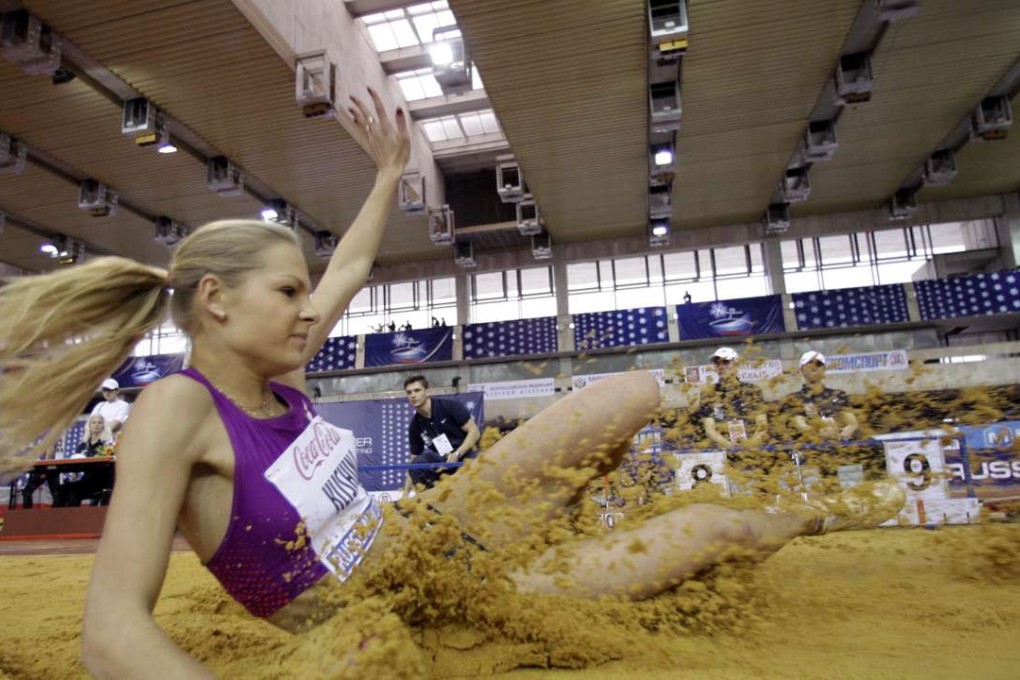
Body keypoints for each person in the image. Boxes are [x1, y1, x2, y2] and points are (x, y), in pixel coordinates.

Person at [0, 90, 905, 677]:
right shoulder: (177, 410)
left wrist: (389, 170)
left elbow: (349, 265)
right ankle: (825, 512)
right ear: (216, 304)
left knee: (628, 396)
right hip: (410, 618)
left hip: (436, 538)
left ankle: (700, 460)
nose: (311, 309)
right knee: (718, 526)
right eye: (287, 293)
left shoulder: (285, 370)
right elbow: (110, 632)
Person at [403, 374, 481, 491]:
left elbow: (474, 432)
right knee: (417, 464)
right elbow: (414, 460)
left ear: (427, 392)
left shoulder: (450, 406)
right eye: (409, 392)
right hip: (444, 463)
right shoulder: (415, 426)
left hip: (467, 455)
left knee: (481, 459)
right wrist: (405, 494)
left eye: (417, 390)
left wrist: (457, 454)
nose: (413, 395)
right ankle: (428, 502)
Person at [694, 347, 771, 449]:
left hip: (752, 450)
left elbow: (762, 425)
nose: (721, 367)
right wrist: (729, 445)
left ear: (736, 365)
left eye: (725, 362)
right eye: (717, 364)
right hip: (723, 450)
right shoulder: (709, 394)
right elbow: (710, 430)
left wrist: (751, 443)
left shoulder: (752, 391)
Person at [781, 351, 859, 442]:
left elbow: (852, 423)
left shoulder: (838, 395)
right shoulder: (793, 399)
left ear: (824, 369)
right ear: (801, 369)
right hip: (809, 450)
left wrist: (849, 429)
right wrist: (819, 431)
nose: (814, 367)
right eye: (809, 363)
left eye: (818, 364)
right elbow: (800, 425)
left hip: (838, 447)